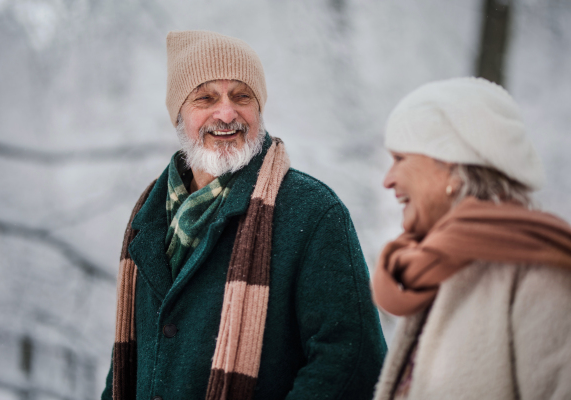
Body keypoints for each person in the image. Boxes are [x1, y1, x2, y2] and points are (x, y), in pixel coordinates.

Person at [101, 30, 386, 400]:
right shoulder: (148, 219)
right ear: (179, 115)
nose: (226, 113)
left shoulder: (314, 212)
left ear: (259, 111)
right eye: (205, 98)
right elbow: (127, 368)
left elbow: (351, 362)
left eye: (241, 96)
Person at [371, 77, 571, 400]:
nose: (387, 180)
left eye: (399, 159)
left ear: (449, 163)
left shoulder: (538, 271)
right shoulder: (434, 263)